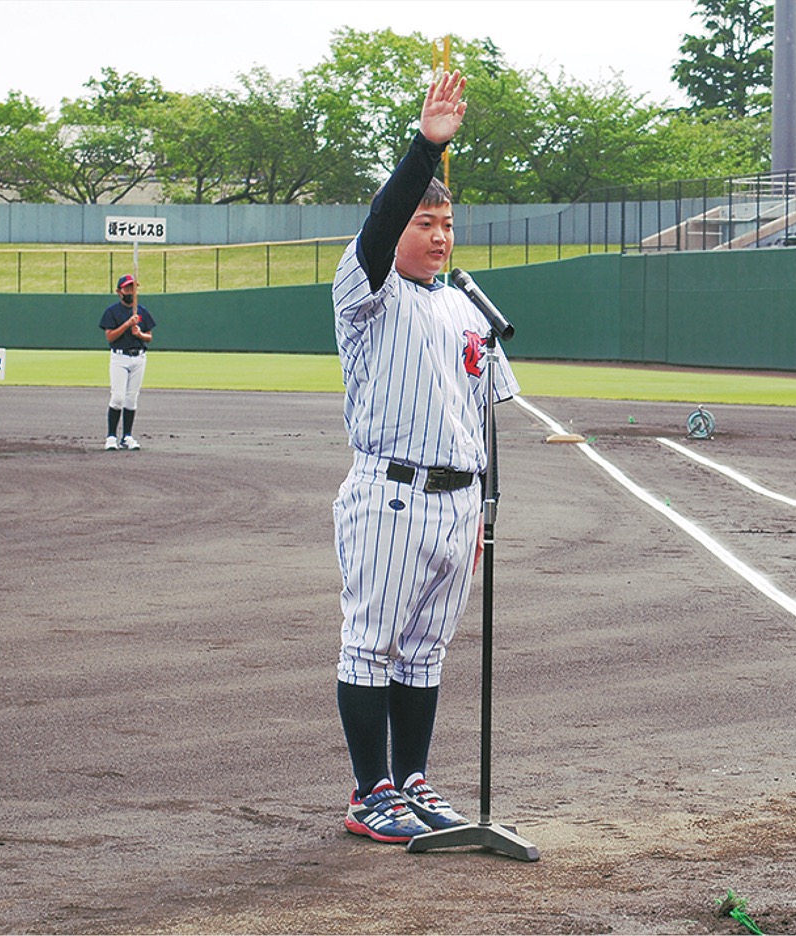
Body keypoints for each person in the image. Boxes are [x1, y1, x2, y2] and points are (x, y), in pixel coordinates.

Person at [330, 69, 519, 843]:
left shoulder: (464, 304)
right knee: (371, 645)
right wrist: (425, 146)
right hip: (392, 492)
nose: (438, 234)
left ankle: (411, 781)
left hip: (457, 498)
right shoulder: (367, 290)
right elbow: (377, 228)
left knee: (425, 649)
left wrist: (486, 504)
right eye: (424, 221)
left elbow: (486, 416)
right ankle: (369, 790)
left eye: (446, 223)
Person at [99, 274, 155, 451]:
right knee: (117, 398)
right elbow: (110, 336)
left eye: (133, 288)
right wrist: (126, 324)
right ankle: (111, 437)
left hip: (138, 357)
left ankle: (127, 436)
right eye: (127, 288)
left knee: (131, 400)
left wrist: (139, 334)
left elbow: (149, 338)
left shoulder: (142, 311)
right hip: (119, 357)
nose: (131, 291)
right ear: (119, 291)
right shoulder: (112, 312)